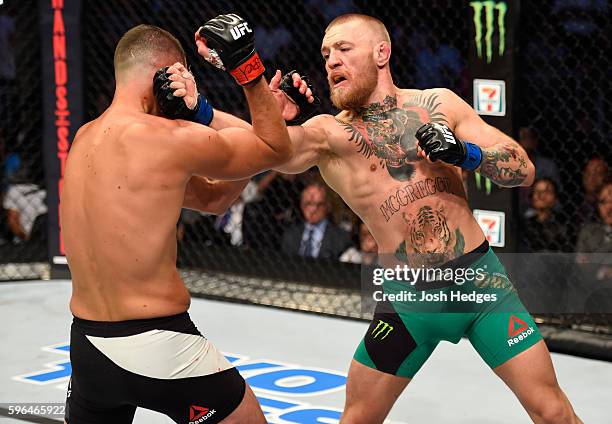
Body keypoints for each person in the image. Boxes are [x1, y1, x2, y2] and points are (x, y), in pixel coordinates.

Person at [168, 13, 581, 423]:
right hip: (408, 300)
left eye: (344, 49)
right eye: (326, 53)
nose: (331, 61)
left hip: (480, 285)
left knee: (553, 412)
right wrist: (203, 110)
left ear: (382, 52)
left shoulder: (438, 103)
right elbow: (264, 146)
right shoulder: (329, 135)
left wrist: (465, 154)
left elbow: (522, 169)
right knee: (358, 418)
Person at [60, 17, 295, 424]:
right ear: (166, 76)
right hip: (161, 347)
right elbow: (275, 148)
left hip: (88, 349)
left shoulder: (82, 139)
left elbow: (216, 198)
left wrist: (259, 114)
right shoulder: (167, 140)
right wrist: (247, 75)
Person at [281, 182, 352, 259]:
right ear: (301, 205)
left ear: (328, 206)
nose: (313, 209)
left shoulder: (341, 237)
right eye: (308, 204)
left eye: (319, 204)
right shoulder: (290, 235)